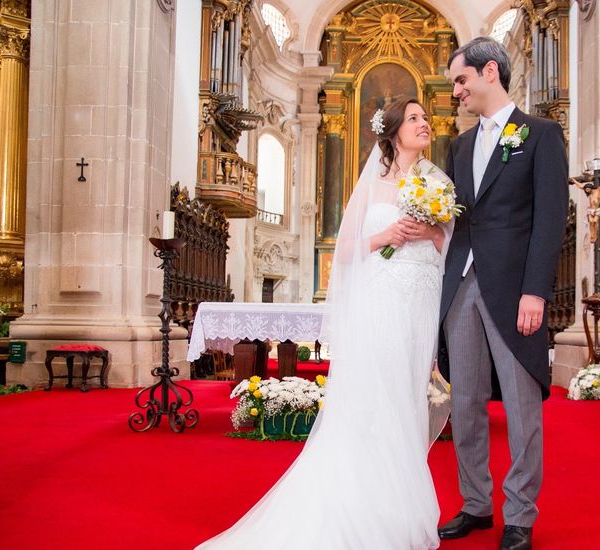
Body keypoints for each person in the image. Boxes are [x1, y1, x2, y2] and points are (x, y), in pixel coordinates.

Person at [196, 97, 452, 550]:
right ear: (393, 132)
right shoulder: (372, 183)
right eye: (414, 119)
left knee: (407, 397)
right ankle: (366, 508)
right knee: (379, 398)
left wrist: (430, 232)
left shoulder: (437, 183)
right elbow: (347, 250)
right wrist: (386, 236)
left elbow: (443, 243)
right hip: (381, 304)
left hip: (419, 303)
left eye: (426, 118)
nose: (424, 124)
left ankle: (400, 502)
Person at [438, 36, 568, 550]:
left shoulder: (539, 134)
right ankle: (475, 502)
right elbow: (454, 217)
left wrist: (535, 290)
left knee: (519, 403)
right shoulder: (460, 145)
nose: (456, 91)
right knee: (465, 401)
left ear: (489, 72)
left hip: (515, 290)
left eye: (461, 79)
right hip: (461, 286)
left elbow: (550, 219)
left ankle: (519, 513)